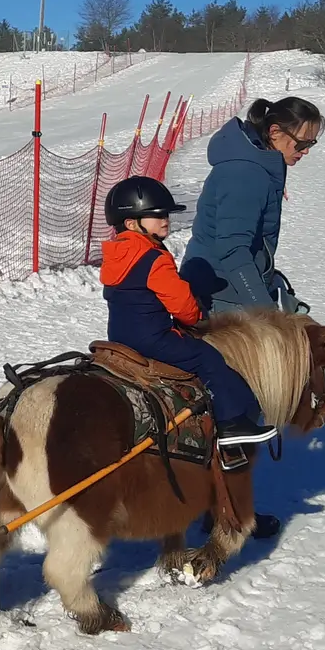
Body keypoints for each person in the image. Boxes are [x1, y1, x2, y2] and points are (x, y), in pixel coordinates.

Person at [100, 176, 277, 454]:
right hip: (153, 339)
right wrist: (196, 318)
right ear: (132, 224)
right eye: (156, 215)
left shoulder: (115, 256)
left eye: (166, 214)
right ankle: (231, 424)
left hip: (119, 338)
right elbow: (181, 303)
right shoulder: (154, 258)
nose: (165, 220)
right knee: (208, 358)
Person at [181, 97, 325, 316]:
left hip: (230, 290)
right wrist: (266, 312)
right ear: (275, 132)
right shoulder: (244, 174)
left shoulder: (257, 166)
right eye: (302, 143)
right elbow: (233, 250)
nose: (306, 151)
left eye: (311, 144)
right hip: (222, 298)